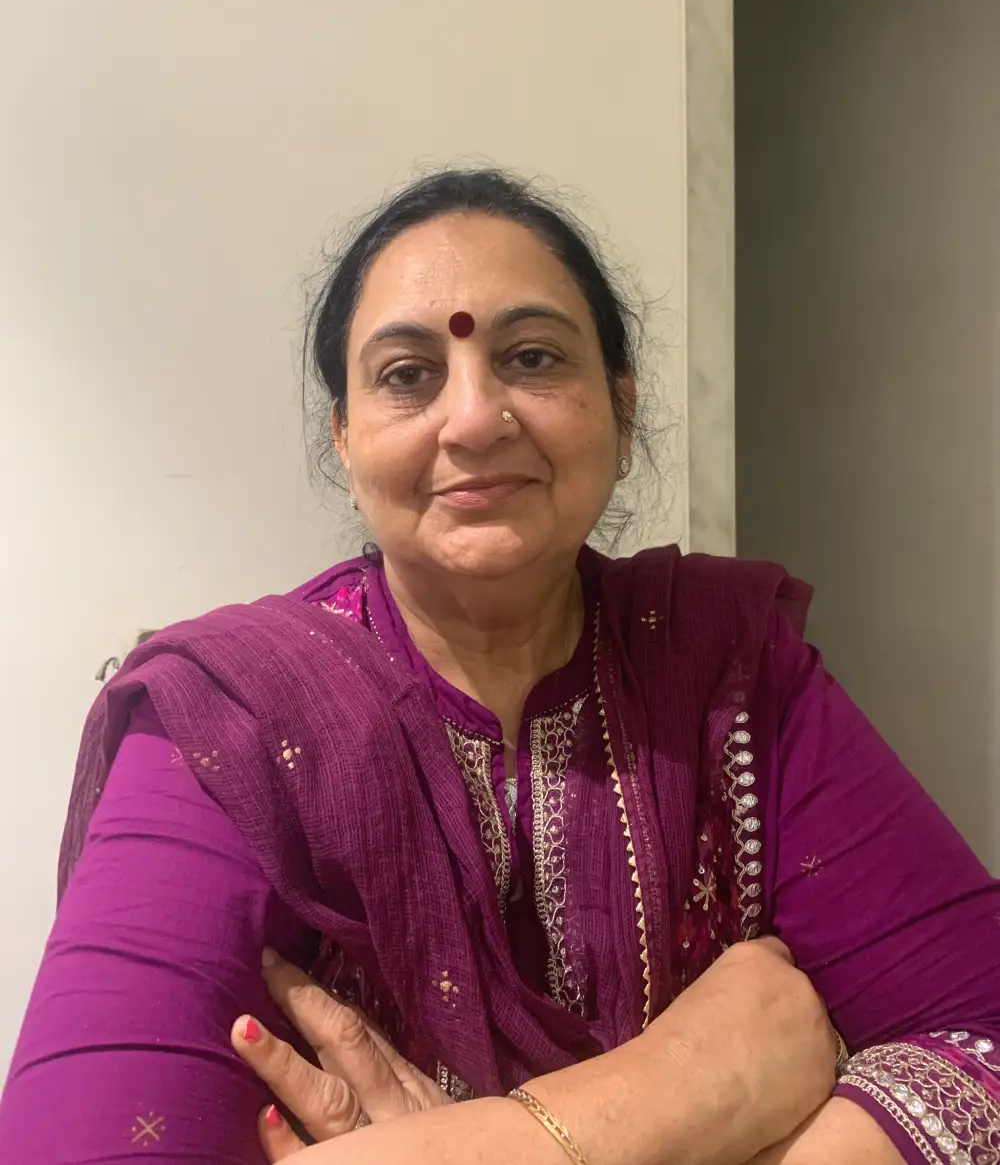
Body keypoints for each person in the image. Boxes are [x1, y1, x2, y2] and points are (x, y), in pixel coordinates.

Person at [1, 169, 997, 1165]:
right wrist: (684, 1087)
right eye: (407, 374)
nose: (474, 420)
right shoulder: (229, 724)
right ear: (344, 439)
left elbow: (982, 1043)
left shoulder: (728, 669)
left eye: (531, 357)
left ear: (620, 407)